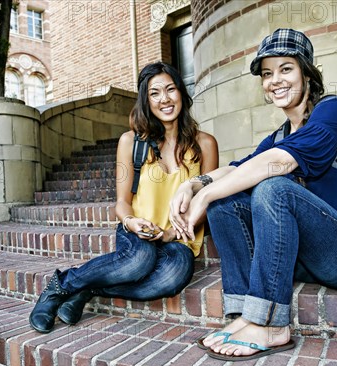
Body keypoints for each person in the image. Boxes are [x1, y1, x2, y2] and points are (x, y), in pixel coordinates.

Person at [169, 28, 337, 361]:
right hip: (314, 255)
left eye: (286, 68)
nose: (275, 80)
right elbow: (236, 168)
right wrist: (193, 184)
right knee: (226, 203)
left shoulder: (336, 112)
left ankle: (271, 324)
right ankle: (245, 313)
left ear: (307, 72)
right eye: (267, 73)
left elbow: (277, 164)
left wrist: (205, 196)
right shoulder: (281, 135)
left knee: (273, 188)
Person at [29, 62, 219, 333]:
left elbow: (207, 200)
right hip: (138, 231)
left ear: (181, 93)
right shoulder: (131, 142)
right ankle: (62, 285)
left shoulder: (205, 144)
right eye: (154, 93)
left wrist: (169, 234)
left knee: (172, 277)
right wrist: (130, 222)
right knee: (137, 262)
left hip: (180, 237)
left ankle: (88, 288)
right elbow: (121, 202)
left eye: (170, 89)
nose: (164, 99)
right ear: (146, 100)